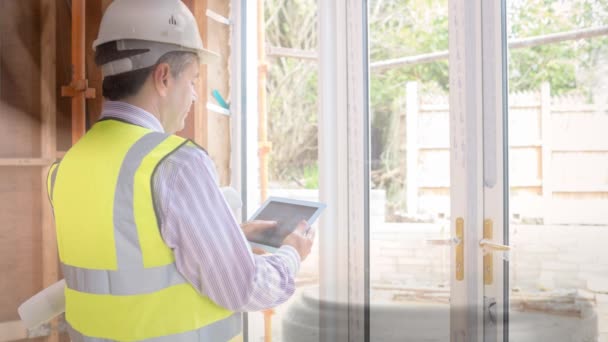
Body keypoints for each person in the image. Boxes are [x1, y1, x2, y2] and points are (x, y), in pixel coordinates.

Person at [46, 0, 315, 341]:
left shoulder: (68, 166)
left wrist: (225, 237)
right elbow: (244, 287)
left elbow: (127, 264)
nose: (192, 96)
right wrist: (292, 254)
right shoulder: (174, 164)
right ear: (163, 76)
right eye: (192, 81)